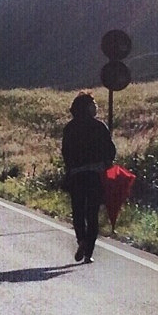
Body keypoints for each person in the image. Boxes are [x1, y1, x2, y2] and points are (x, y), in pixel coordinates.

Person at [60, 91, 116, 263]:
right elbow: (110, 150)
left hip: (76, 175)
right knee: (92, 213)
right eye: (93, 104)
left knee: (78, 210)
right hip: (94, 175)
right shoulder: (99, 127)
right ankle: (88, 252)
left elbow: (66, 152)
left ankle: (81, 240)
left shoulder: (70, 128)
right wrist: (106, 163)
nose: (96, 107)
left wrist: (71, 168)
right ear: (87, 107)